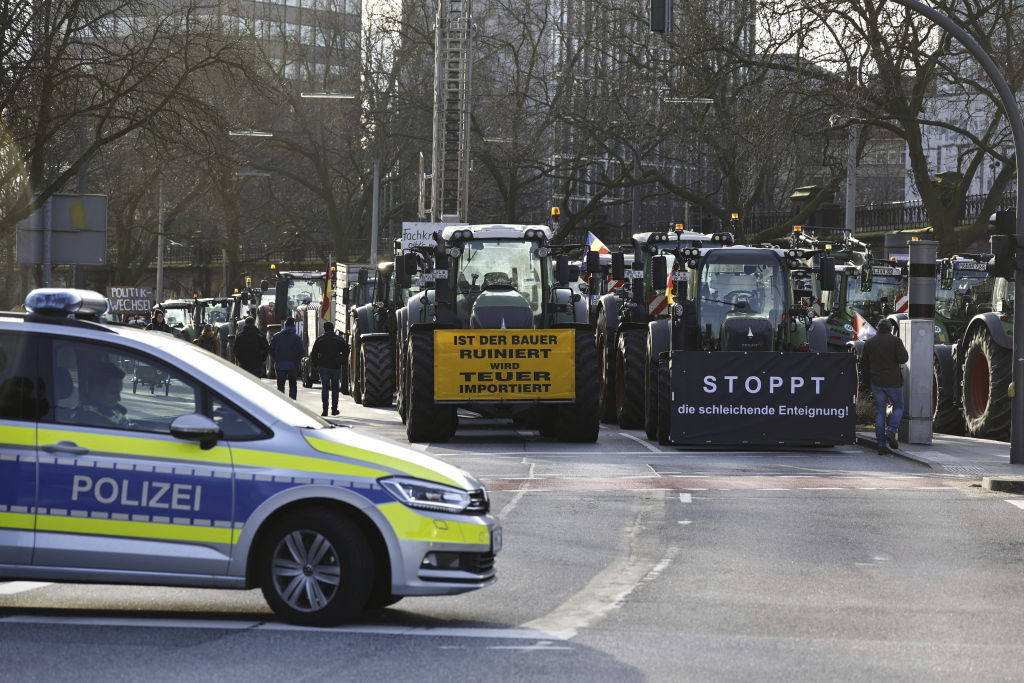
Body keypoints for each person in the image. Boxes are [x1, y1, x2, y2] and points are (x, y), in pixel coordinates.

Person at [861, 318, 909, 454]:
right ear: (889, 328)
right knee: (898, 407)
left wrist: (865, 383)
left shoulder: (869, 343)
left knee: (880, 412)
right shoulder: (895, 341)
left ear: (878, 328)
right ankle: (892, 431)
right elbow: (904, 358)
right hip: (894, 382)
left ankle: (881, 445)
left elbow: (863, 365)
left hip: (876, 383)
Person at [70, 361, 130, 428]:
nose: (119, 398)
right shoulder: (89, 420)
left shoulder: (108, 410)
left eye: (119, 392)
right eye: (113, 393)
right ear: (96, 390)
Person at [310, 321, 349, 416]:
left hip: (323, 367)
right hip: (335, 367)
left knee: (325, 388)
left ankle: (325, 410)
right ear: (333, 328)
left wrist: (315, 364)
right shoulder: (339, 339)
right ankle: (334, 409)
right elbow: (346, 351)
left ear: (324, 329)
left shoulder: (320, 339)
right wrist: (342, 361)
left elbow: (313, 353)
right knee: (335, 389)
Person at [270, 317, 304, 399]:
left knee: (280, 386)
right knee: (292, 385)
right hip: (292, 365)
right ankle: (292, 403)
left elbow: (271, 350)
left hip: (280, 364)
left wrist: (276, 359)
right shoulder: (297, 338)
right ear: (293, 326)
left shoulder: (276, 336)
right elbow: (302, 351)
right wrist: (296, 361)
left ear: (285, 325)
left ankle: (281, 403)